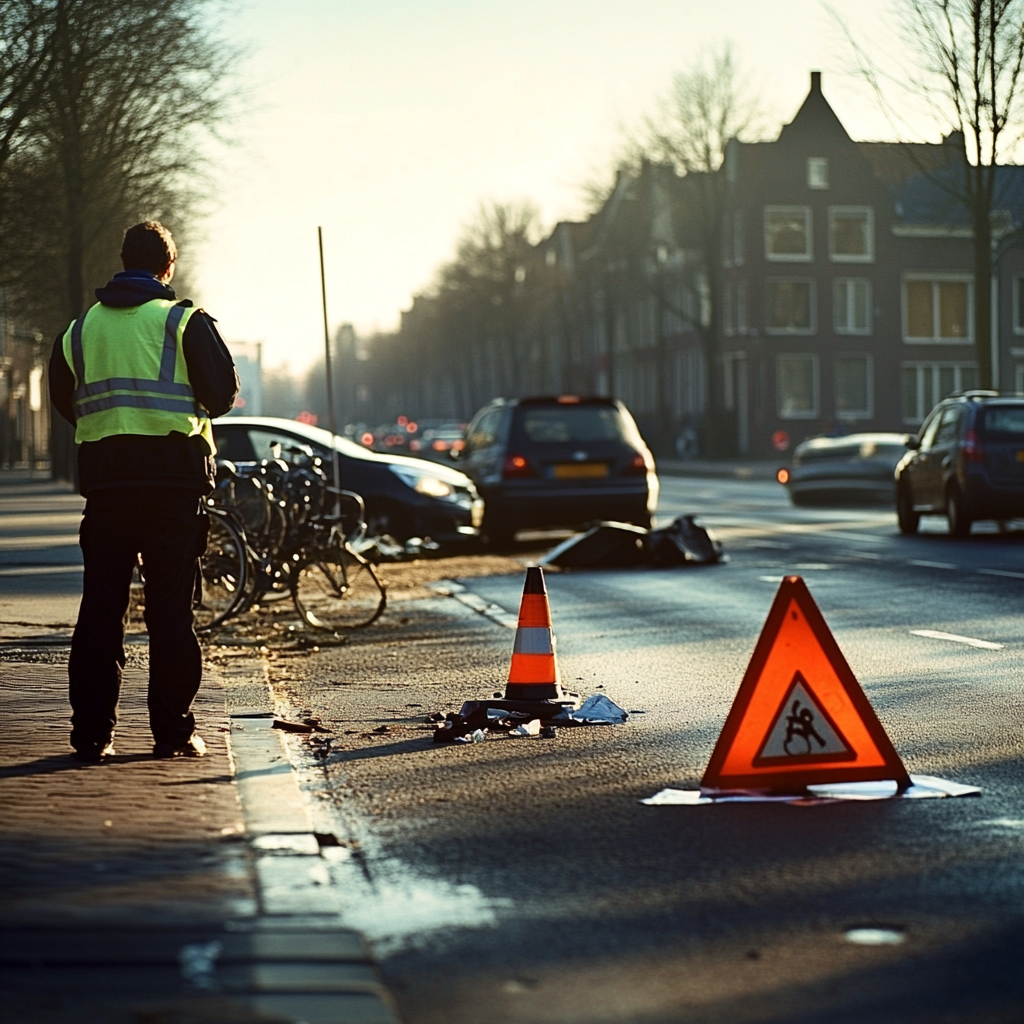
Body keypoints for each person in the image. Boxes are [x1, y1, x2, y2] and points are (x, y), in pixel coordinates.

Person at [49, 221, 238, 762]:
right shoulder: (185, 323)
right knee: (170, 616)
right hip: (172, 490)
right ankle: (173, 734)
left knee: (100, 613)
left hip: (107, 488)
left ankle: (91, 736)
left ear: (122, 262)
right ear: (168, 268)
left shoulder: (80, 330)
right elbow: (221, 395)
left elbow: (64, 397)